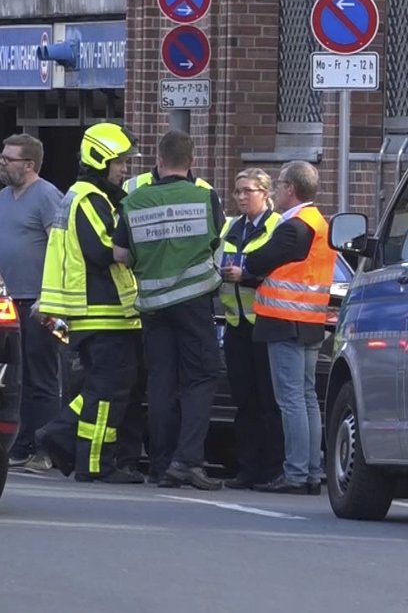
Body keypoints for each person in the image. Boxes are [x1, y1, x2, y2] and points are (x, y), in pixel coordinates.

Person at [112, 130, 225, 491]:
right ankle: (187, 461)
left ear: (158, 162)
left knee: (161, 382)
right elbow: (216, 241)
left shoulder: (135, 200)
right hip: (193, 302)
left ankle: (161, 466)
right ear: (191, 162)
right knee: (201, 378)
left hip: (153, 305)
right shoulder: (204, 196)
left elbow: (120, 254)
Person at [34, 122, 145, 485]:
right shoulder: (89, 199)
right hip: (103, 313)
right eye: (119, 163)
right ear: (100, 160)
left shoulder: (83, 196)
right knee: (105, 393)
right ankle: (95, 463)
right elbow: (103, 250)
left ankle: (61, 433)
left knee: (98, 391)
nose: (124, 170)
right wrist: (139, 245)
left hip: (96, 314)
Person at [232, 160, 335, 495]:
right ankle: (311, 472)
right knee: (305, 398)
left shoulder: (293, 226)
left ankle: (295, 472)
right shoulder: (318, 222)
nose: (276, 190)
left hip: (285, 322)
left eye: (278, 185)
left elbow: (262, 259)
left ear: (290, 189)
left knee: (290, 399)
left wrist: (242, 268)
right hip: (309, 322)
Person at [0, 133, 65, 473]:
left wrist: (51, 297)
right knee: (17, 375)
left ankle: (45, 447)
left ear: (30, 165)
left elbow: (60, 246)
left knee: (44, 376)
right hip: (10, 301)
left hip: (43, 304)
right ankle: (20, 444)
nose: (2, 163)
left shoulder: (48, 196)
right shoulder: (1, 199)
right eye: (2, 157)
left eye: (10, 159)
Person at [218, 168, 284, 490]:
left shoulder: (277, 227)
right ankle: (246, 470)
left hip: (265, 322)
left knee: (269, 401)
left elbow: (281, 273)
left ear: (266, 194)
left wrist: (246, 276)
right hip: (236, 323)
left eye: (249, 191)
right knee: (244, 401)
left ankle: (271, 469)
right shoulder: (231, 227)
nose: (242, 196)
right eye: (238, 191)